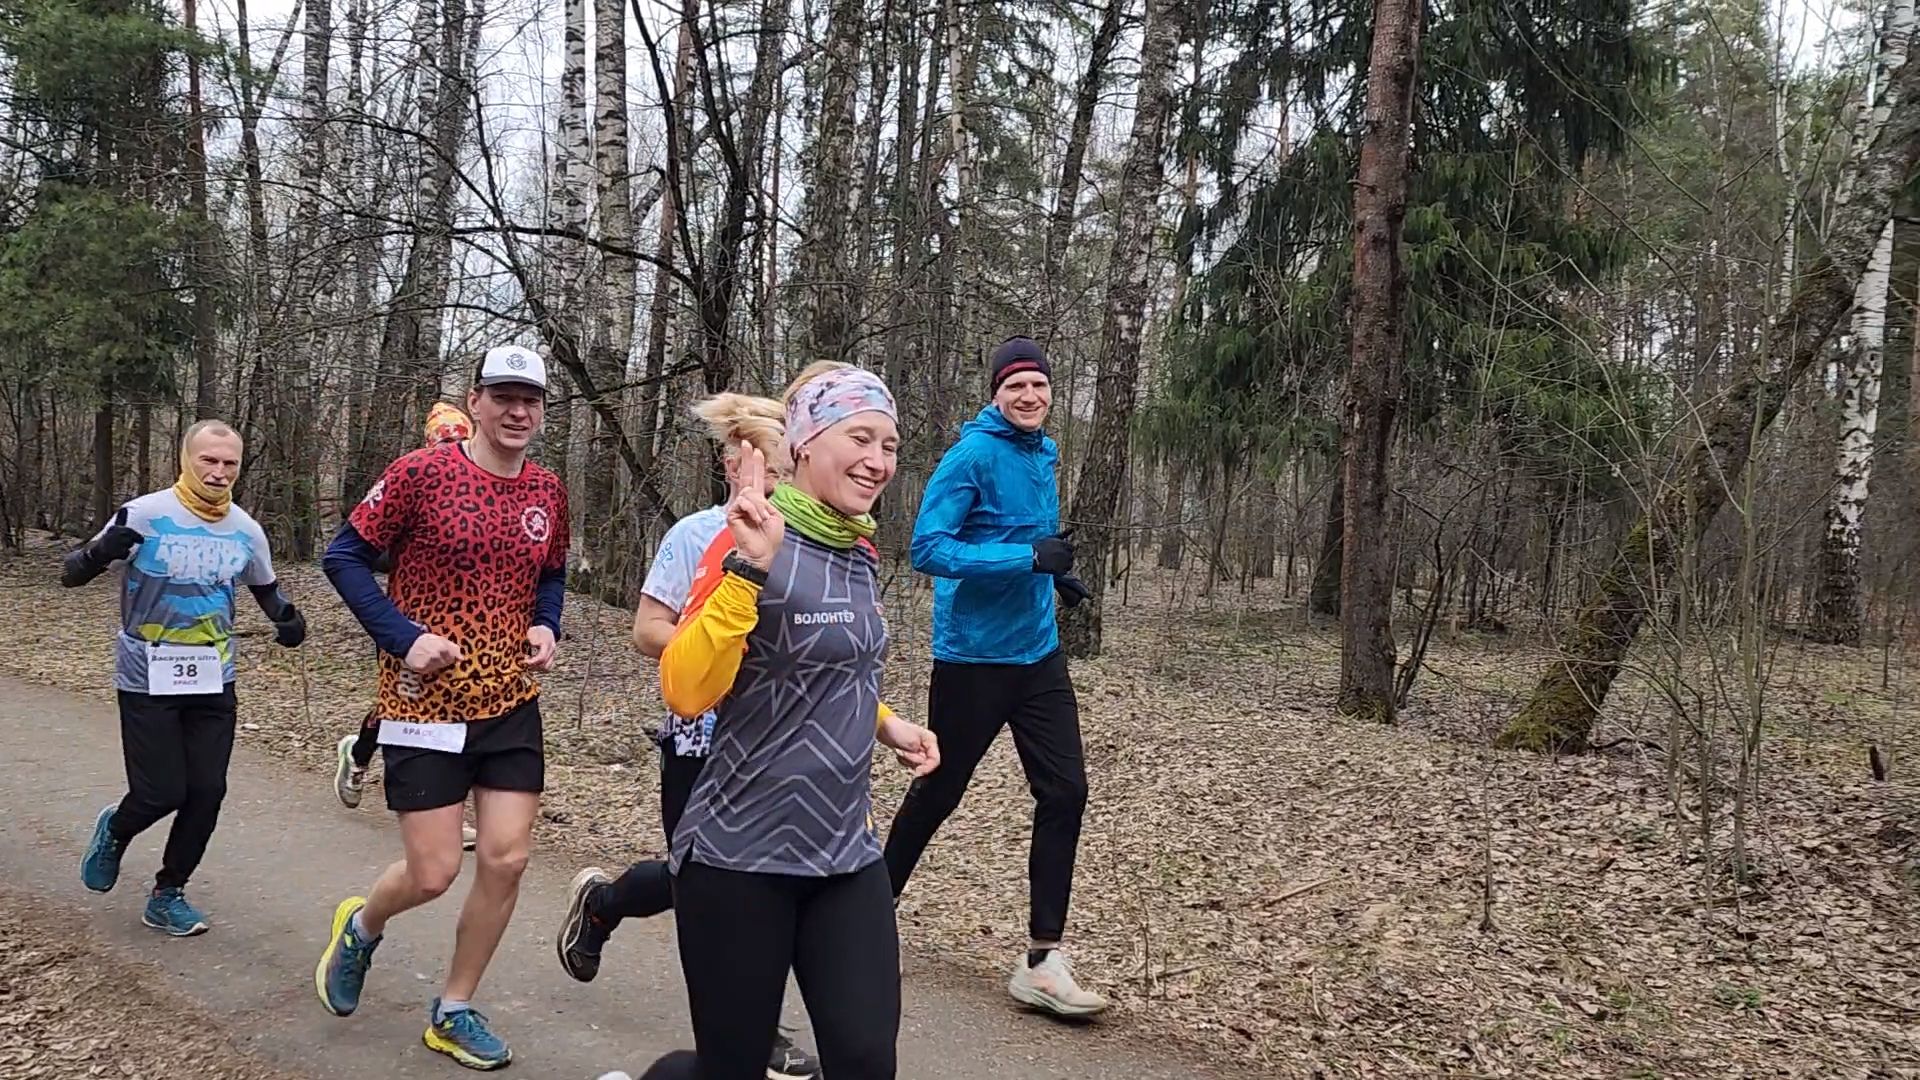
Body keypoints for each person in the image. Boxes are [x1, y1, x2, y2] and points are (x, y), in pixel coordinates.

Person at [632, 364, 939, 1080]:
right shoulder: (749, 540)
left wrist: (885, 722)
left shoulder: (856, 547)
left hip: (843, 854)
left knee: (865, 1061)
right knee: (728, 1071)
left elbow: (826, 666)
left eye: (890, 445)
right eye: (860, 437)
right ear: (803, 444)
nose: (878, 461)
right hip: (740, 858)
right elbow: (685, 688)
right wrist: (749, 570)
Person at [313, 343, 570, 1071]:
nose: (518, 411)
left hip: (510, 699)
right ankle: (362, 926)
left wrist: (546, 625)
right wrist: (404, 638)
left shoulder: (548, 491)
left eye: (532, 400)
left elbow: (549, 576)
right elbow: (343, 556)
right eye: (504, 397)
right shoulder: (420, 474)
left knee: (508, 858)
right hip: (424, 702)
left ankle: (453, 1008)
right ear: (477, 400)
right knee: (431, 873)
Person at [555, 391, 824, 1080]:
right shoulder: (695, 535)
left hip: (779, 752)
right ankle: (735, 1030)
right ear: (740, 461)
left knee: (762, 889)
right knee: (706, 888)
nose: (773, 473)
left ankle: (613, 908)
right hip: (701, 744)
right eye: (761, 457)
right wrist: (722, 655)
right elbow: (648, 630)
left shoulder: (820, 541)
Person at [882, 335, 1108, 1017]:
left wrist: (1055, 572)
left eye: (1038, 385)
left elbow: (1022, 541)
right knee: (938, 792)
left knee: (1066, 792)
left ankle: (1042, 961)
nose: (1030, 397)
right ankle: (866, 911)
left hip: (1036, 655)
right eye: (1016, 387)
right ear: (996, 393)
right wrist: (1024, 559)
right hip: (973, 658)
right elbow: (929, 548)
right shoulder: (972, 454)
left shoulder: (1042, 453)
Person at [71, 419, 308, 936]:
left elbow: (264, 587)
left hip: (212, 674)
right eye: (209, 460)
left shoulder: (245, 529)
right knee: (160, 793)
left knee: (207, 790)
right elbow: (73, 573)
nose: (219, 472)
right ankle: (117, 827)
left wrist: (286, 618)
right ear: (187, 458)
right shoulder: (146, 514)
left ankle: (168, 893)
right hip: (146, 674)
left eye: (229, 464)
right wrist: (99, 553)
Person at [333, 400, 479, 852]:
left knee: (467, 706)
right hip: (406, 623)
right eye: (445, 438)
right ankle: (358, 756)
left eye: (460, 437)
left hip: (472, 626)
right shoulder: (413, 478)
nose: (452, 446)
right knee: (399, 706)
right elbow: (358, 552)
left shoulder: (485, 485)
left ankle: (453, 808)